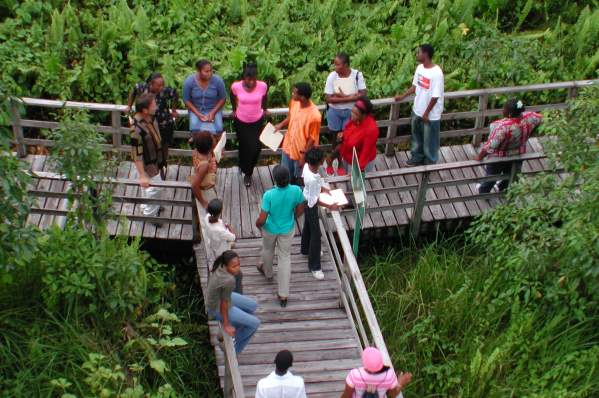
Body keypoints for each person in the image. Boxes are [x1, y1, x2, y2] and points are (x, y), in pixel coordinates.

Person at [255, 165, 305, 307]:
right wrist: (293, 217)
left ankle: (268, 273)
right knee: (285, 257)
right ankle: (283, 294)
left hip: (270, 228)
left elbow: (263, 218)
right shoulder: (296, 191)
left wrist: (258, 224)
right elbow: (301, 209)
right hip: (287, 229)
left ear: (275, 180)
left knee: (268, 249)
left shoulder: (269, 195)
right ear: (288, 178)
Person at [475, 99, 543, 193]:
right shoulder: (531, 117)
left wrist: (479, 157)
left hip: (499, 157)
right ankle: (503, 188)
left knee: (492, 176)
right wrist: (529, 134)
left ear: (510, 113)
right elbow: (541, 119)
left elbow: (490, 146)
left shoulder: (502, 127)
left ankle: (484, 191)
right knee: (511, 174)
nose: (502, 110)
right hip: (518, 153)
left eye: (504, 109)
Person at [395, 44, 444, 166]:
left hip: (430, 114)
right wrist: (403, 96)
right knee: (416, 138)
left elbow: (435, 96)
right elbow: (415, 86)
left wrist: (427, 113)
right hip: (417, 109)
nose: (417, 55)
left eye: (419, 52)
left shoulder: (437, 73)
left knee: (430, 141)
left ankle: (430, 162)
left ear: (426, 54)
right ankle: (416, 158)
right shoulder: (420, 68)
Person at [206, 250, 260, 354]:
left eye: (238, 264)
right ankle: (234, 345)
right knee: (255, 323)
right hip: (217, 307)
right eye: (234, 266)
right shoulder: (227, 280)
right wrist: (226, 325)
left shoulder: (221, 268)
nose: (238, 268)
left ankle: (240, 325)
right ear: (226, 266)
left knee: (253, 306)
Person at [127, 72, 179, 178]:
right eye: (159, 85)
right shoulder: (137, 127)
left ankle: (162, 167)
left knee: (162, 145)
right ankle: (148, 171)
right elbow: (136, 152)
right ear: (151, 84)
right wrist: (129, 106)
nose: (162, 87)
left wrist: (173, 109)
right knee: (148, 147)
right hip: (147, 124)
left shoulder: (164, 91)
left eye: (162, 84)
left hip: (161, 123)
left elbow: (175, 94)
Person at [324, 52, 367, 176]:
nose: (335, 67)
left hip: (351, 113)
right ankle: (335, 162)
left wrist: (340, 97)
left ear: (346, 65)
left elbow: (363, 94)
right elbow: (328, 98)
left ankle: (332, 159)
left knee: (345, 139)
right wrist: (350, 97)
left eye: (337, 64)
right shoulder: (332, 76)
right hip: (334, 112)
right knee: (335, 138)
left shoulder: (357, 75)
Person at [301, 147, 339, 280]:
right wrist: (330, 205)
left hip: (305, 198)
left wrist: (322, 188)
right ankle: (314, 266)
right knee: (316, 235)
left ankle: (305, 249)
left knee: (308, 226)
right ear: (317, 163)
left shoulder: (307, 166)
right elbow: (314, 201)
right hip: (310, 204)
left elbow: (313, 185)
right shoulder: (312, 179)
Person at [275, 82, 322, 185]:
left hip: (300, 151)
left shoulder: (315, 115)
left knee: (299, 179)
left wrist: (303, 157)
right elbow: (290, 116)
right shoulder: (294, 102)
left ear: (303, 97)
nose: (292, 94)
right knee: (286, 175)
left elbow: (312, 138)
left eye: (294, 93)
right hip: (288, 146)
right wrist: (280, 125)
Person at [231, 63, 269, 187]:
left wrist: (265, 108)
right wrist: (233, 109)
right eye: (248, 79)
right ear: (244, 77)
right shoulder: (236, 86)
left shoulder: (262, 86)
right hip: (241, 121)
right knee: (244, 145)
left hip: (257, 121)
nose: (251, 82)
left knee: (256, 147)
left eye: (253, 79)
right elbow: (232, 96)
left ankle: (248, 171)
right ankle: (245, 169)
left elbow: (264, 97)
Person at [130, 93, 164, 219]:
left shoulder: (151, 118)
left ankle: (145, 206)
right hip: (148, 162)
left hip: (156, 158)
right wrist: (142, 174)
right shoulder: (136, 128)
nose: (156, 106)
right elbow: (136, 152)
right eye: (153, 105)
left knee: (148, 187)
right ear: (145, 110)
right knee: (156, 187)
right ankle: (150, 214)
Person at [204, 198, 243, 293]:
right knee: (237, 274)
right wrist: (229, 227)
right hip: (223, 252)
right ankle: (236, 293)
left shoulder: (206, 217)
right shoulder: (220, 231)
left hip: (214, 245)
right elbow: (234, 237)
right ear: (220, 212)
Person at [341, 347, 412, 398]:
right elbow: (392, 395)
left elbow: (347, 395)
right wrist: (400, 383)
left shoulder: (355, 374)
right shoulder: (389, 375)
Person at [183, 59, 227, 141]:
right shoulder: (189, 81)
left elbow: (223, 98)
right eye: (206, 71)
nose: (209, 73)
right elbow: (186, 100)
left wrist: (213, 112)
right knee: (196, 131)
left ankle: (215, 151)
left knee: (217, 131)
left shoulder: (218, 81)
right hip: (196, 109)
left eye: (211, 71)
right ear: (199, 71)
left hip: (213, 109)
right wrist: (198, 114)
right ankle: (200, 148)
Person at [337, 96, 379, 174]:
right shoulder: (355, 119)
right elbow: (348, 130)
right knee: (347, 178)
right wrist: (342, 135)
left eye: (355, 113)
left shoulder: (371, 129)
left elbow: (365, 153)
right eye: (352, 111)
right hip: (347, 156)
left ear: (364, 115)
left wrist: (357, 171)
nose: (351, 114)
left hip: (360, 163)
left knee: (355, 184)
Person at [190, 132, 217, 209]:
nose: (214, 140)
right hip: (205, 187)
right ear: (210, 147)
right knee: (212, 210)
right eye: (212, 139)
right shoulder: (204, 165)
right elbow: (194, 186)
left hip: (202, 175)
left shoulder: (197, 150)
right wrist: (203, 202)